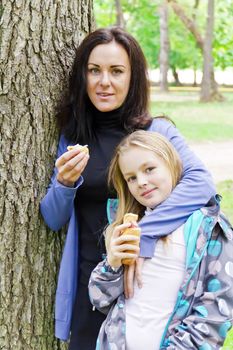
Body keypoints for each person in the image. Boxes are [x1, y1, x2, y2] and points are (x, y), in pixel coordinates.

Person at [40, 26, 216, 349]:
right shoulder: (73, 136)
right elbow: (53, 219)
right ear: (83, 76)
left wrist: (141, 237)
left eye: (116, 71)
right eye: (94, 70)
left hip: (146, 291)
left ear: (132, 78)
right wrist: (64, 183)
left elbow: (201, 184)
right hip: (90, 289)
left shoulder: (156, 131)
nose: (104, 82)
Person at [89, 130, 233, 350]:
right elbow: (100, 298)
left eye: (149, 169)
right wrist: (113, 262)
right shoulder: (130, 226)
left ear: (172, 164)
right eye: (132, 178)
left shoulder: (207, 227)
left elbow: (217, 308)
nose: (142, 182)